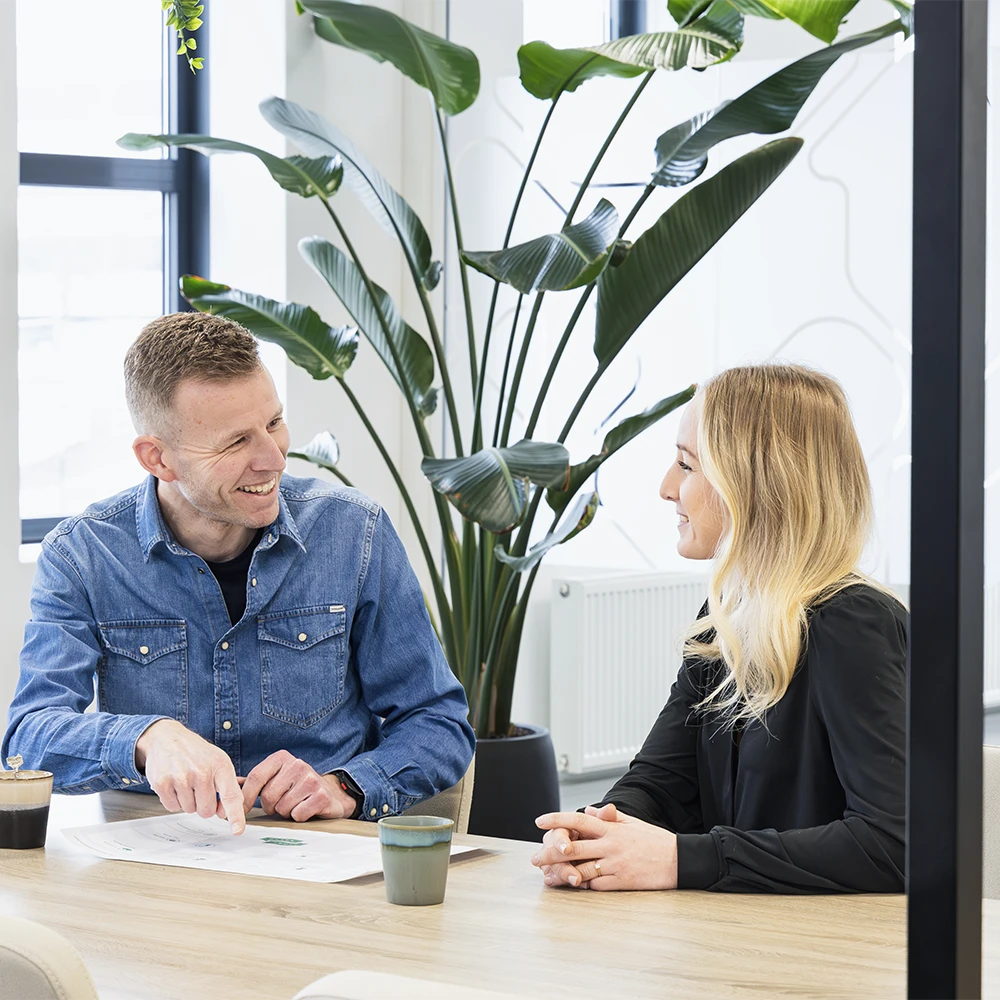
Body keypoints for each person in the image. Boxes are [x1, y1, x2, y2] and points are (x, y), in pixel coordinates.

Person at [3, 313, 474, 835]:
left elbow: (439, 723)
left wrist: (346, 785)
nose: (272, 459)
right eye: (235, 443)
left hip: (321, 863)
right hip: (153, 869)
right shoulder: (82, 557)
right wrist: (146, 738)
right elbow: (27, 743)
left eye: (273, 423)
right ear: (158, 458)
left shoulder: (355, 534)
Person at [531, 364, 906, 893]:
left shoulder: (855, 623)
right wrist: (594, 836)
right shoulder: (727, 614)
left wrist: (682, 860)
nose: (666, 488)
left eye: (686, 465)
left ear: (752, 484)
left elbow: (893, 844)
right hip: (732, 940)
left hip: (826, 959)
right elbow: (662, 781)